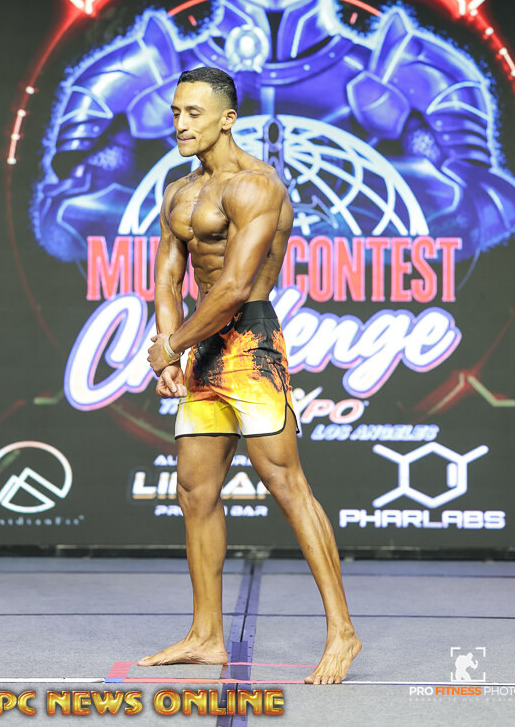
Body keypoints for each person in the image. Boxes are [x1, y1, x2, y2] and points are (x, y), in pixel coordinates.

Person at [140, 66, 362, 685]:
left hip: (250, 343)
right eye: (176, 112)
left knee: (286, 484)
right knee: (194, 490)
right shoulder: (179, 191)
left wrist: (172, 346)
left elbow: (236, 286)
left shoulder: (257, 186)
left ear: (227, 118)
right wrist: (172, 351)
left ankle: (343, 631)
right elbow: (168, 278)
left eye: (194, 113)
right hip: (201, 347)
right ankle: (206, 636)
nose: (181, 124)